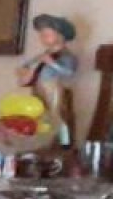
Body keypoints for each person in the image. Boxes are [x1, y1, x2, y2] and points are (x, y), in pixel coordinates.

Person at [17, 13, 80, 144]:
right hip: (39, 87)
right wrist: (24, 72)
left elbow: (69, 71)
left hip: (53, 87)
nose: (43, 38)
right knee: (38, 114)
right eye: (41, 35)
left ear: (60, 36)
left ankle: (61, 142)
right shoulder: (43, 55)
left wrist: (52, 63)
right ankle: (42, 139)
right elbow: (26, 66)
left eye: (47, 34)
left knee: (56, 114)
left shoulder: (66, 56)